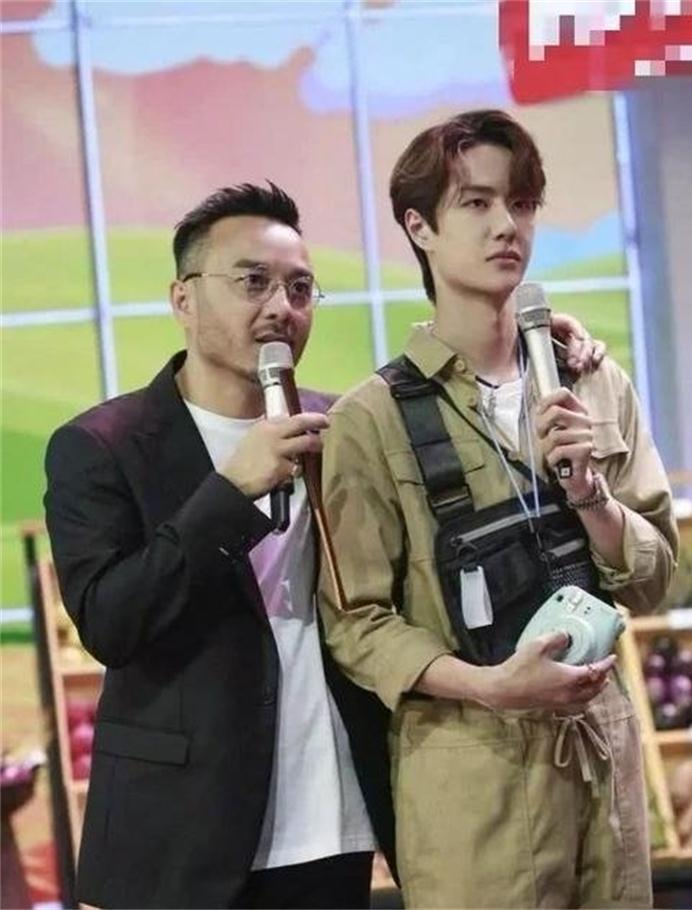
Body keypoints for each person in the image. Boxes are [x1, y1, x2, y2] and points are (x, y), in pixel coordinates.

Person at [44, 179, 602, 910]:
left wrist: (533, 346)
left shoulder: (342, 427)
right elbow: (111, 623)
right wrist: (229, 493)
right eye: (253, 282)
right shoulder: (101, 446)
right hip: (183, 839)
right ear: (184, 299)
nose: (282, 306)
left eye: (301, 288)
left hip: (334, 818)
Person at [318, 110, 678, 909]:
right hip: (471, 778)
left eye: (520, 203)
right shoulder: (370, 420)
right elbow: (357, 624)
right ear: (419, 227)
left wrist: (591, 498)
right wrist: (492, 688)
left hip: (603, 761)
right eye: (476, 203)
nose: (506, 225)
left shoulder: (592, 382)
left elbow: (655, 580)